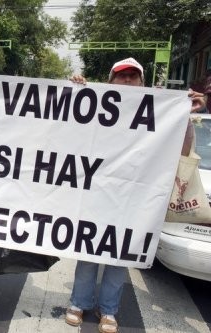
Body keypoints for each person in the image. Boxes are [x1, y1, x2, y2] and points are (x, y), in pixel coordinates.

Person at [65, 57, 204, 333]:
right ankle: (78, 303)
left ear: (142, 82)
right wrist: (74, 92)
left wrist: (184, 114)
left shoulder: (160, 112)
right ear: (110, 82)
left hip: (133, 202)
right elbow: (66, 133)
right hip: (96, 195)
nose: (127, 81)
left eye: (133, 76)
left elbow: (182, 151)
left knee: (119, 256)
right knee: (88, 252)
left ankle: (108, 310)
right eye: (122, 76)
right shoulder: (94, 106)